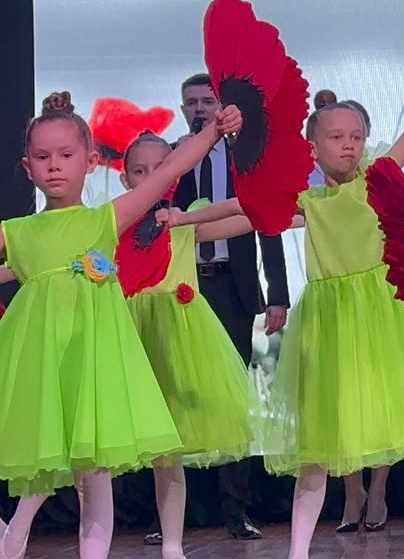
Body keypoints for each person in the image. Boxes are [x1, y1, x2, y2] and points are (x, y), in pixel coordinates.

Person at [0, 91, 240, 559]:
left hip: (93, 364)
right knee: (38, 464)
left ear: (90, 162)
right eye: (42, 157)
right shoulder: (17, 232)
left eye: (66, 155)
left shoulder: (106, 218)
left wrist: (213, 131)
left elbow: (169, 172)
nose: (54, 166)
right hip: (41, 363)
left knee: (95, 477)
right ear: (27, 167)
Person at [169, 73, 290, 541]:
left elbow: (268, 223)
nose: (200, 109)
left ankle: (236, 510)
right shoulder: (173, 159)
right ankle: (179, 511)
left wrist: (277, 293)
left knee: (233, 395)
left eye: (207, 101)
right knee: (182, 393)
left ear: (222, 108)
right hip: (181, 287)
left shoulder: (244, 159)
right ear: (183, 109)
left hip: (232, 287)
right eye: (191, 102)